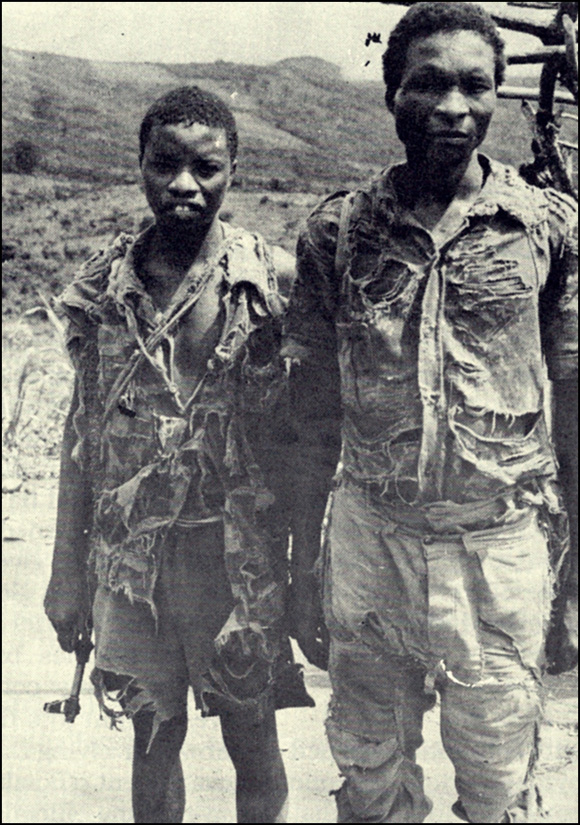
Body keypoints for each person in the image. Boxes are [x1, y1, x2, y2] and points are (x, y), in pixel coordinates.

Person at [284, 3, 578, 823]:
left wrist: (579, 577)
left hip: (498, 547)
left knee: (498, 785)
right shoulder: (337, 233)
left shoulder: (547, 229)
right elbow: (309, 421)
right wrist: (302, 570)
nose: (454, 107)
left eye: (476, 86)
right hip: (370, 544)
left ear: (498, 97)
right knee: (370, 779)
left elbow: (577, 401)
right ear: (392, 95)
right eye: (429, 84)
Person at [44, 85, 312, 825]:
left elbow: (305, 446)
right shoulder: (102, 288)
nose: (185, 186)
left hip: (238, 559)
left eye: (207, 168)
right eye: (164, 165)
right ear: (139, 165)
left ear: (235, 169)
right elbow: (81, 441)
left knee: (252, 739)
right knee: (152, 735)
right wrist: (65, 571)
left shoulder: (273, 282)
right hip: (133, 564)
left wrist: (306, 572)